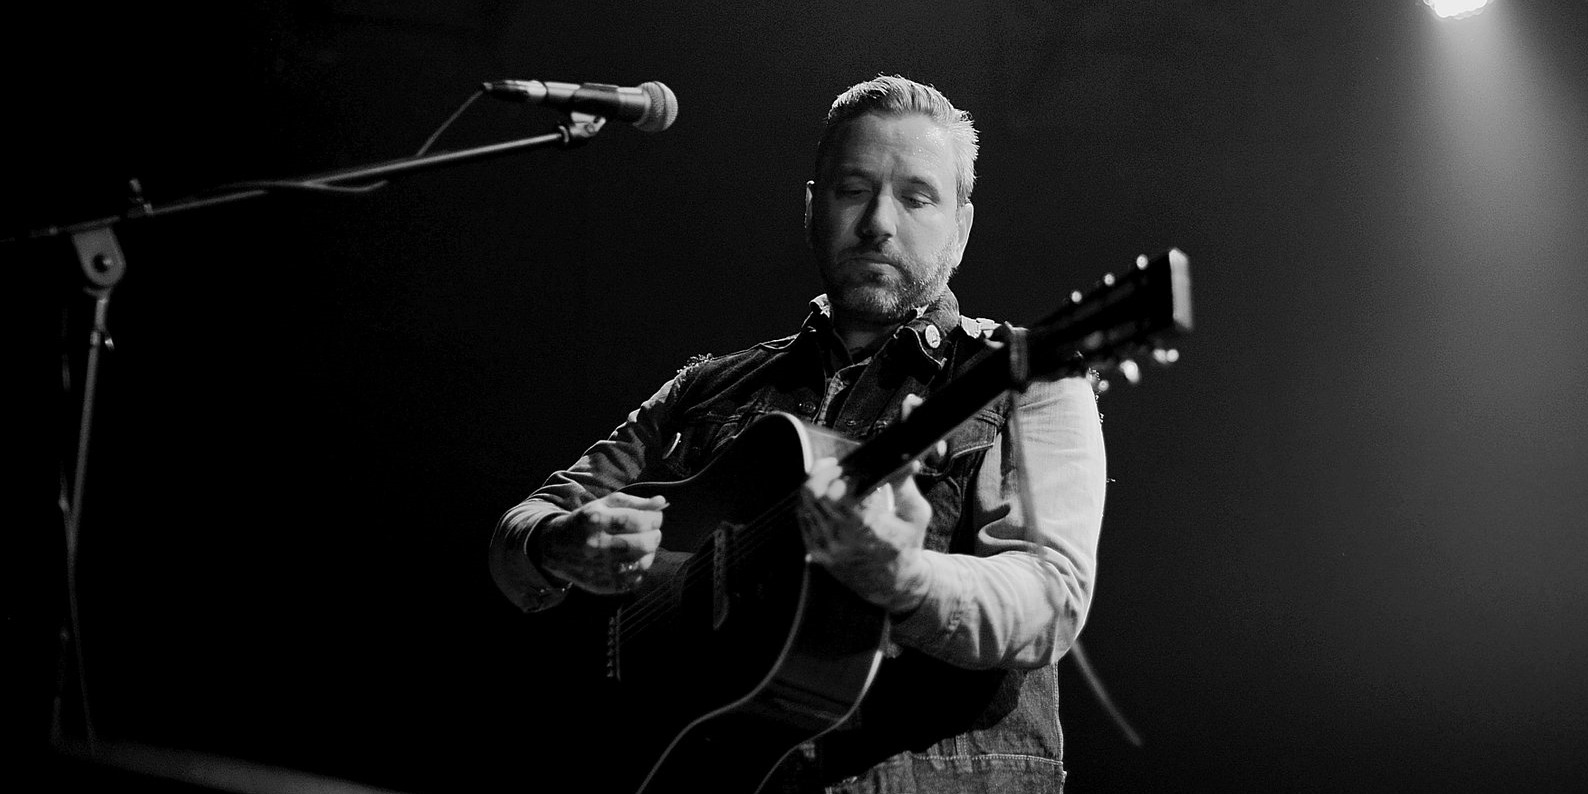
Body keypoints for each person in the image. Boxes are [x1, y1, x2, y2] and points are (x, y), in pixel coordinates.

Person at [489, 75, 1106, 794]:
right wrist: (554, 544)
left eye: (916, 197)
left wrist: (902, 579)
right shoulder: (705, 388)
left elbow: (1048, 599)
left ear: (961, 229)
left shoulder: (1027, 379)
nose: (879, 222)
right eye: (853, 189)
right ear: (813, 208)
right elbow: (520, 533)